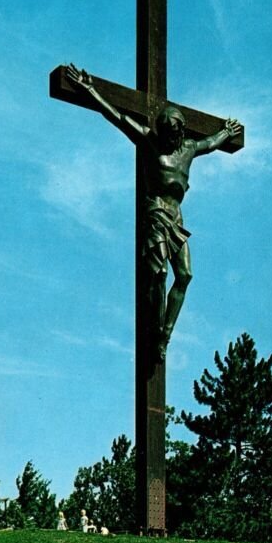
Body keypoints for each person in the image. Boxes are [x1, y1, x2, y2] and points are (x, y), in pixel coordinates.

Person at [66, 64, 241, 361]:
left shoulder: (188, 149)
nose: (170, 137)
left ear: (181, 131)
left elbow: (210, 143)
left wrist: (226, 132)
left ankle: (164, 335)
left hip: (177, 217)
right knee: (158, 272)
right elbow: (118, 117)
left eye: (174, 133)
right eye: (166, 132)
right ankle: (154, 329)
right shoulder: (149, 141)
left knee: (185, 275)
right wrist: (89, 89)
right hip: (156, 212)